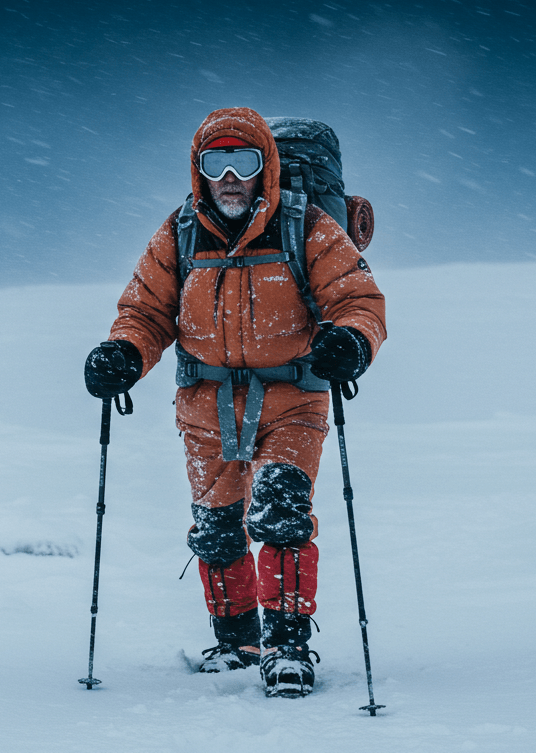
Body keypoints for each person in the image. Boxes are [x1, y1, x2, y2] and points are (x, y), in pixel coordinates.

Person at [82, 107, 386, 698]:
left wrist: (352, 341)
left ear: (265, 167)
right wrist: (124, 353)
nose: (228, 177)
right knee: (217, 527)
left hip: (293, 398)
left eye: (242, 163)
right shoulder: (180, 233)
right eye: (214, 163)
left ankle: (288, 647)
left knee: (282, 512)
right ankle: (237, 642)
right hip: (205, 405)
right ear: (197, 170)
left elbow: (359, 300)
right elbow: (145, 311)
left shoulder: (306, 227)